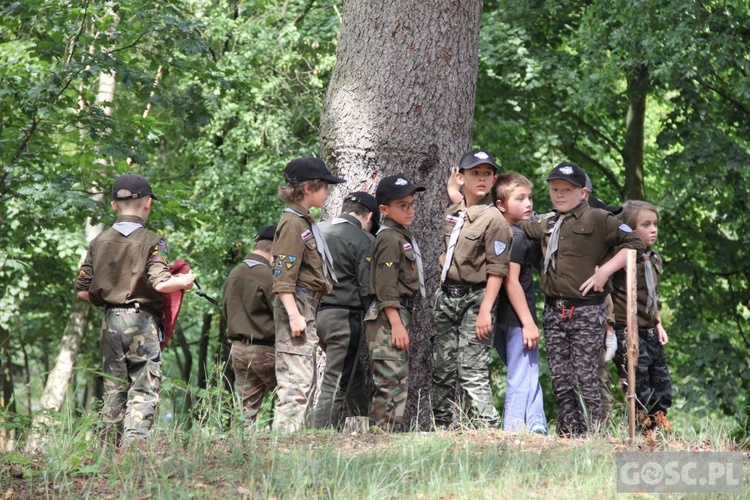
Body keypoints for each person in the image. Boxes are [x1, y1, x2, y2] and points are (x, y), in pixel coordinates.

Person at [517, 161, 646, 437]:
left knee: (586, 376)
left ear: (583, 193)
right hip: (554, 311)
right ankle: (569, 434)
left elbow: (634, 242)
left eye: (566, 190)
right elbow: (518, 223)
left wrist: (606, 271)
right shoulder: (547, 222)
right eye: (554, 190)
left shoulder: (598, 219)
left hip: (587, 310)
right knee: (561, 379)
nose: (559, 195)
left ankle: (594, 434)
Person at [75, 173, 195, 447]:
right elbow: (162, 283)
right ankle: (135, 448)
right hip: (141, 321)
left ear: (114, 205)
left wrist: (110, 296)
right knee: (144, 383)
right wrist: (184, 281)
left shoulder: (99, 241)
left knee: (113, 385)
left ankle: (107, 449)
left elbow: (83, 289)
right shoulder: (154, 241)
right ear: (148, 203)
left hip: (109, 321)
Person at [432, 150, 512, 429]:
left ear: (494, 180)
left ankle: (487, 427)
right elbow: (463, 204)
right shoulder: (455, 212)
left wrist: (485, 311)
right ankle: (442, 426)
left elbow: (497, 270)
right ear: (461, 177)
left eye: (486, 174)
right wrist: (454, 188)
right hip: (447, 296)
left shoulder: (495, 220)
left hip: (476, 298)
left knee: (472, 368)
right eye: (474, 173)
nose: (481, 178)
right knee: (442, 368)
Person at [271, 156, 345, 433]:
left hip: (306, 303)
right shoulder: (292, 224)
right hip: (297, 303)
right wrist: (294, 315)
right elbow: (282, 277)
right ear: (308, 188)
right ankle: (284, 444)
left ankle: (293, 440)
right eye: (325, 186)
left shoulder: (303, 222)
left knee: (305, 378)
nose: (328, 192)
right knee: (296, 381)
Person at [312, 192, 378, 429]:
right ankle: (317, 435)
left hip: (315, 316)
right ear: (369, 215)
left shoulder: (316, 229)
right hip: (344, 317)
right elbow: (366, 286)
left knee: (353, 372)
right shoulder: (363, 240)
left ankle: (360, 424)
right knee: (335, 381)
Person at [365, 175, 426, 431]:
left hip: (398, 314)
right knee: (391, 383)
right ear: (384, 209)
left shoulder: (400, 235)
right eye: (403, 205)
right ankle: (381, 438)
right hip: (389, 316)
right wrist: (396, 324)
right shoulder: (390, 238)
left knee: (397, 379)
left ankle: (385, 436)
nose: (410, 210)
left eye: (412, 204)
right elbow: (386, 285)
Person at [492, 172, 547, 433]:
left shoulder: (497, 229)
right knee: (520, 374)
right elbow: (511, 281)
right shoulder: (517, 236)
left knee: (528, 370)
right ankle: (513, 430)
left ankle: (537, 424)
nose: (529, 204)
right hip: (517, 318)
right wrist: (528, 322)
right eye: (520, 198)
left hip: (502, 316)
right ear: (501, 205)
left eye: (530, 198)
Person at [611, 200, 672, 432]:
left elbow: (653, 295)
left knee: (662, 385)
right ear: (629, 228)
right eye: (646, 225)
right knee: (639, 386)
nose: (653, 229)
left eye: (655, 224)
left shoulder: (654, 258)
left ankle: (655, 430)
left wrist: (659, 323)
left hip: (650, 330)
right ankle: (640, 430)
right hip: (628, 330)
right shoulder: (620, 259)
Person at [223, 224, 277, 426]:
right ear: (274, 248)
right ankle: (291, 444)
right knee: (293, 395)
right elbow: (282, 314)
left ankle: (244, 451)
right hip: (265, 350)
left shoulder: (234, 272)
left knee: (247, 412)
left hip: (238, 350)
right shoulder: (268, 276)